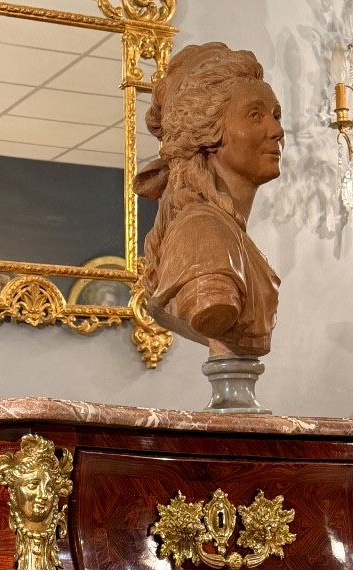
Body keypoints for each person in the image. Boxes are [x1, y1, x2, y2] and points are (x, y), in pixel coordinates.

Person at [134, 42, 284, 358]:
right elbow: (210, 308)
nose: (276, 130)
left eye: (276, 115)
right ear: (207, 133)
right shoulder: (202, 235)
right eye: (255, 115)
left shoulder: (227, 235)